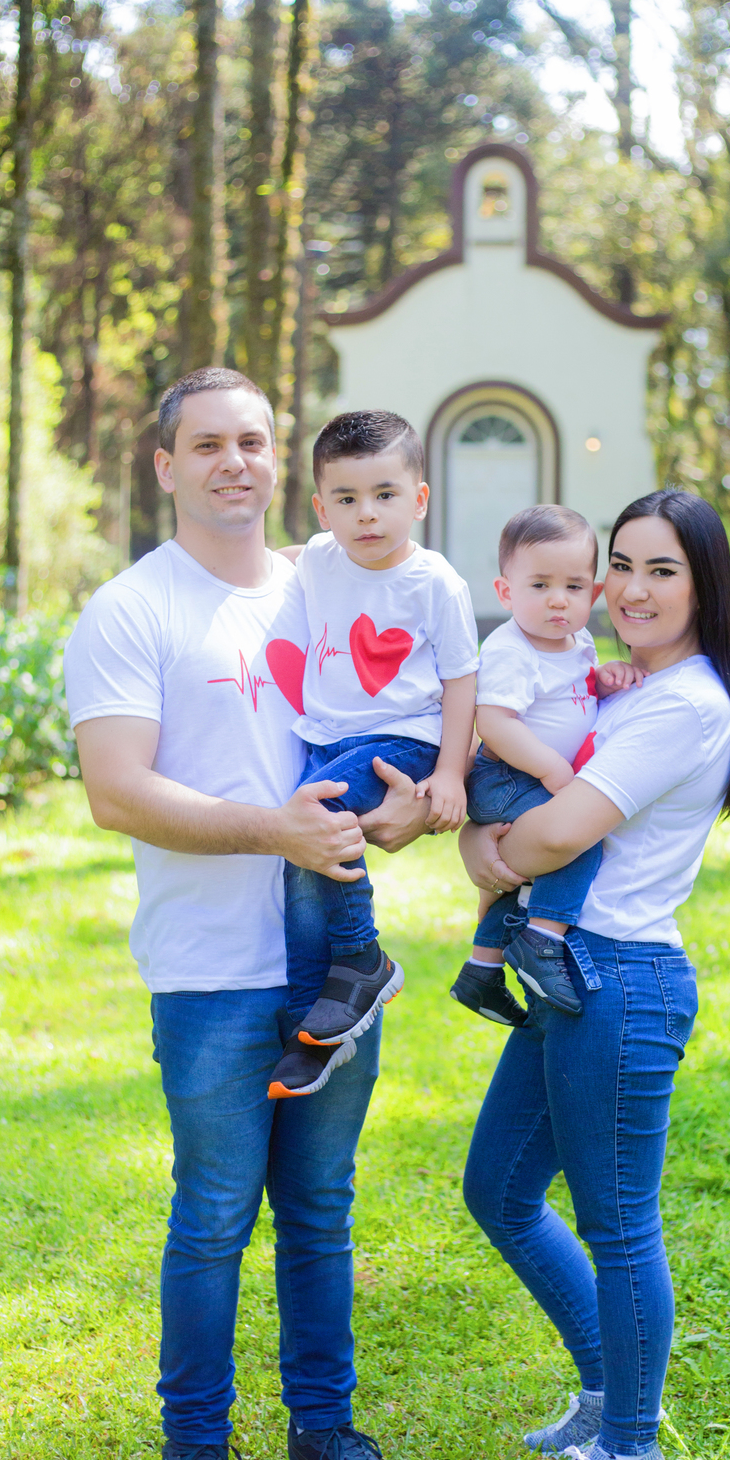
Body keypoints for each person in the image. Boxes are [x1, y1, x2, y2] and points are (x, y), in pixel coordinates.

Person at [63, 367, 430, 1460]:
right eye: (209, 444)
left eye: (256, 442)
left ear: (282, 464)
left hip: (333, 967)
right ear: (165, 467)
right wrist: (273, 829)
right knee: (215, 1212)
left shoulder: (334, 587)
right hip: (211, 971)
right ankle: (193, 1452)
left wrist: (418, 802)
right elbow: (117, 792)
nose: (236, 461)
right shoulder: (133, 610)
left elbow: (415, 728)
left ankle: (323, 1430)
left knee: (321, 1209)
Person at [458, 487, 730, 1460]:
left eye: (661, 569)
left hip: (620, 981)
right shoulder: (622, 685)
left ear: (702, 584)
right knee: (497, 1190)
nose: (629, 587)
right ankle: (607, 1391)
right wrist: (489, 847)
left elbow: (545, 840)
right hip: (565, 973)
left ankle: (632, 1455)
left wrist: (485, 849)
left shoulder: (685, 703)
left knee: (619, 1224)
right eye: (619, 563)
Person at [269, 410, 478, 1098]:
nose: (367, 515)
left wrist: (449, 771)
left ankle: (362, 956)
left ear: (419, 499)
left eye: (386, 495)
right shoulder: (319, 558)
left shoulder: (435, 582)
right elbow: (265, 567)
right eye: (347, 499)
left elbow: (460, 680)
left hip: (402, 741)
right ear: (321, 507)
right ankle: (310, 1026)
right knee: (300, 871)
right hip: (327, 739)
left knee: (314, 826)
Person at [448, 505, 639, 1028]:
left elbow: (570, 694)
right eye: (539, 585)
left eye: (574, 587)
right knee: (576, 840)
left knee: (518, 881)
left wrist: (604, 677)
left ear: (594, 595)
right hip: (506, 775)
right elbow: (495, 722)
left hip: (533, 776)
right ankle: (542, 941)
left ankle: (482, 969)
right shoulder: (511, 647)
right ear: (506, 592)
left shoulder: (578, 642)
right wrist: (555, 770)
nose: (559, 599)